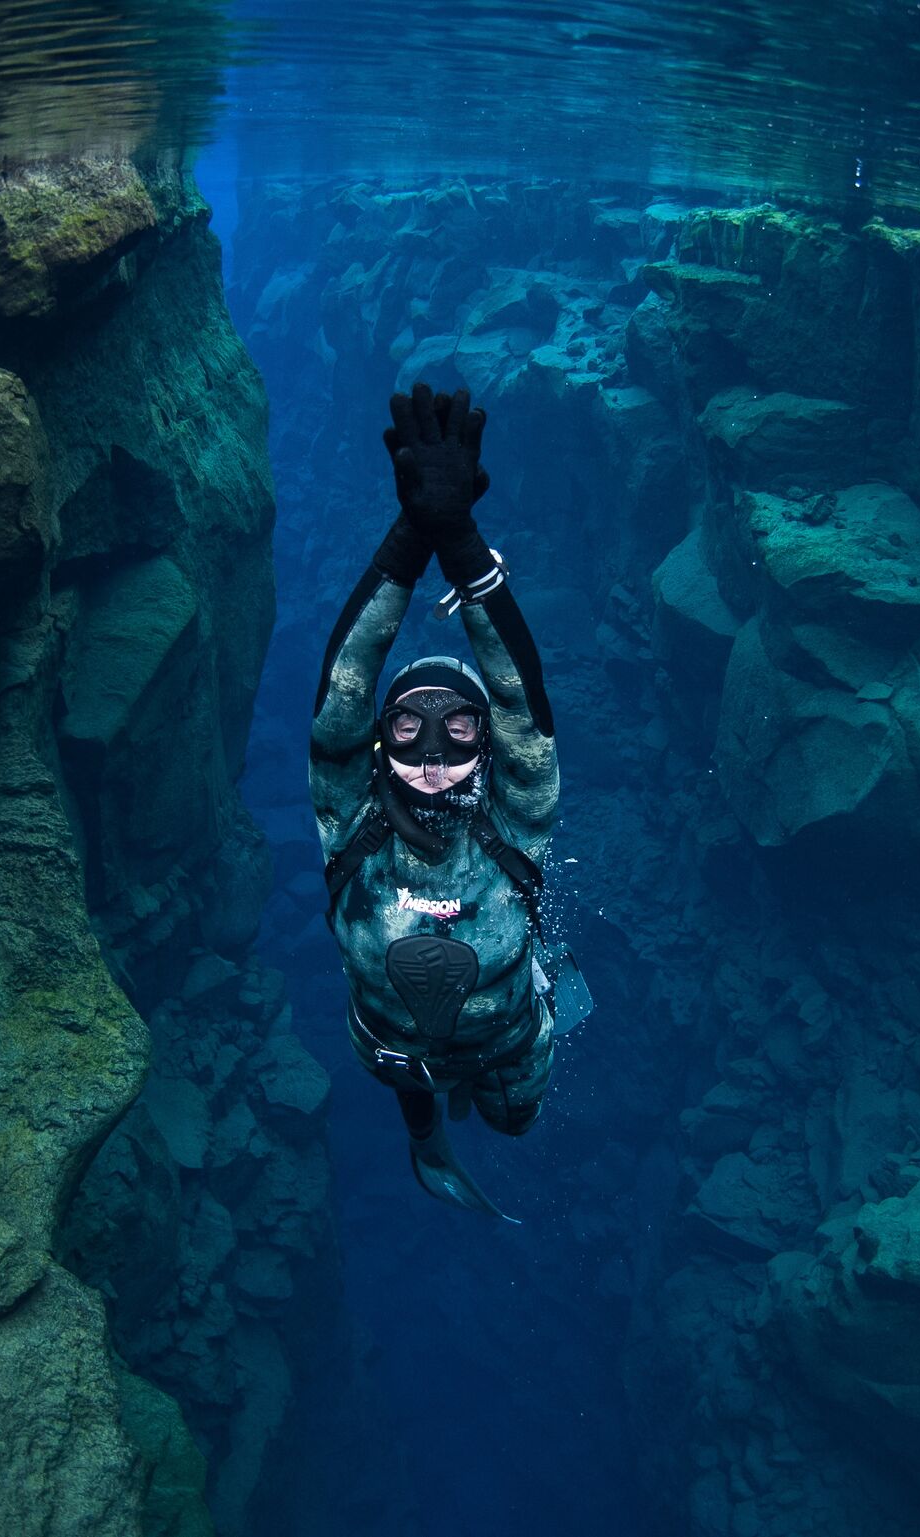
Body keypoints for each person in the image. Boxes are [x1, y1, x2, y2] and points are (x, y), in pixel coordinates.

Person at [310, 381, 559, 1218]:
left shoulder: (516, 822)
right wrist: (411, 538)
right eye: (409, 731)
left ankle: (540, 997)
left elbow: (523, 709)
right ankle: (426, 1137)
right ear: (378, 744)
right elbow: (342, 698)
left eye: (457, 732)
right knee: (406, 1081)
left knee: (517, 1124)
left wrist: (458, 541)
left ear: (486, 747)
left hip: (511, 1037)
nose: (432, 758)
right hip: (389, 1045)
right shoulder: (349, 820)